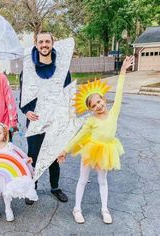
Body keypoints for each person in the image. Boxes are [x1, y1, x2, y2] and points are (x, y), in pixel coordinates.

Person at [57, 56, 134, 224]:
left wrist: (122, 72)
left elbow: (120, 92)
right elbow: (79, 137)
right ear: (90, 109)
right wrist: (65, 150)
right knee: (83, 180)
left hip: (106, 151)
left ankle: (104, 209)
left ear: (103, 100)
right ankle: (77, 208)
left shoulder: (113, 112)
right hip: (90, 151)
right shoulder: (91, 120)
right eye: (93, 105)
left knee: (102, 181)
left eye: (99, 101)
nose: (98, 106)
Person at [19, 31, 72, 205]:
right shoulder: (28, 70)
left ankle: (55, 187)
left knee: (53, 156)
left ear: (52, 43)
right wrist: (26, 111)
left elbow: (67, 97)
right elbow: (23, 98)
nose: (44, 45)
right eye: (41, 42)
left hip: (54, 122)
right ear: (36, 44)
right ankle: (31, 188)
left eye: (47, 41)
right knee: (33, 156)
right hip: (35, 121)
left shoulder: (63, 69)